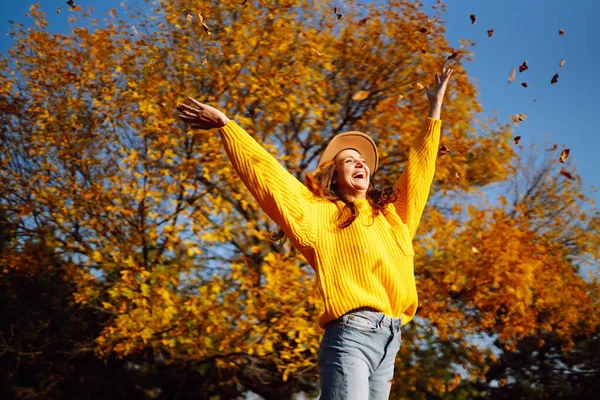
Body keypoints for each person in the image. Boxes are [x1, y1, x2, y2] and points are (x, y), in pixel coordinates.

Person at [177, 67, 453, 399]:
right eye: (348, 160)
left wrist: (434, 110)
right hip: (352, 335)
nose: (359, 163)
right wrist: (228, 127)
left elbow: (421, 170)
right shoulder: (320, 214)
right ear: (334, 177)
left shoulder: (393, 216)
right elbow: (270, 179)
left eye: (362, 160)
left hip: (391, 340)